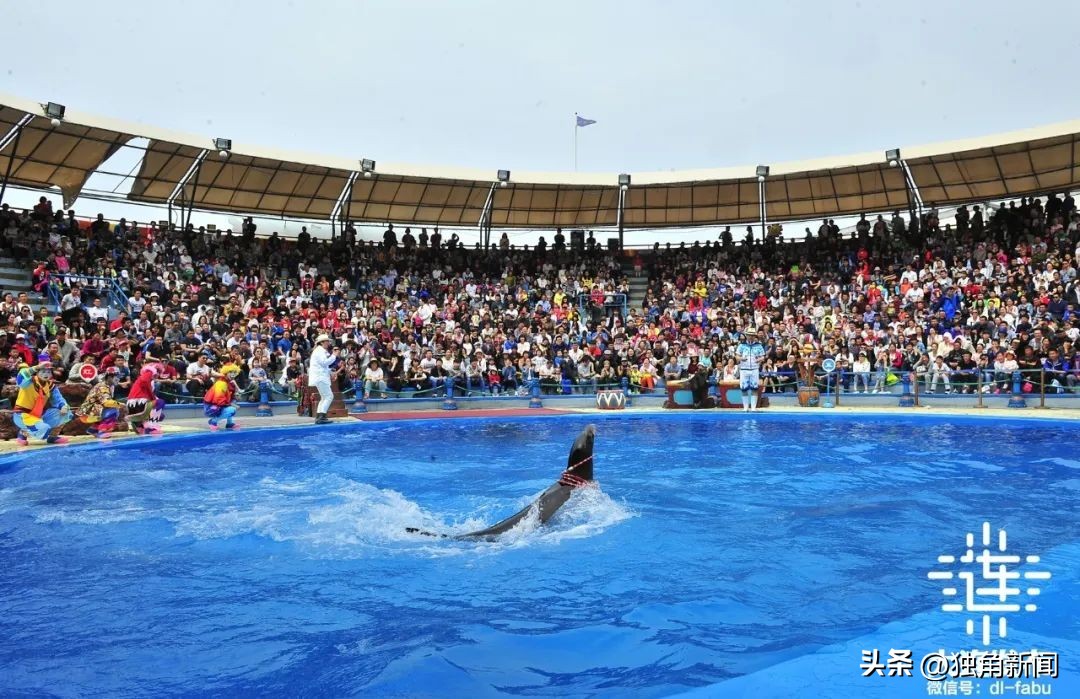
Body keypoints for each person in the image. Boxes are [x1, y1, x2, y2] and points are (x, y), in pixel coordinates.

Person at [13, 354, 72, 446]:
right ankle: (23, 432)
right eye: (43, 371)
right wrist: (37, 367)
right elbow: (21, 376)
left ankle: (52, 437)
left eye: (48, 372)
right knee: (42, 430)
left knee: (67, 413)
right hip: (22, 415)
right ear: (37, 372)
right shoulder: (28, 382)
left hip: (39, 415)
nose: (46, 374)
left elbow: (58, 399)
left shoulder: (50, 385)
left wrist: (63, 406)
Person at [77, 366, 123, 439]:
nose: (118, 379)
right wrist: (121, 404)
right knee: (113, 411)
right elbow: (106, 402)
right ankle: (103, 431)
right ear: (109, 377)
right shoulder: (102, 387)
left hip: (94, 410)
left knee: (112, 408)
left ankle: (93, 429)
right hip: (87, 413)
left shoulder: (111, 386)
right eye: (116, 377)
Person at [127, 362, 167, 435]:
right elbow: (144, 381)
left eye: (159, 372)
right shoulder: (149, 373)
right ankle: (151, 426)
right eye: (157, 371)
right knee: (161, 402)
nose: (157, 374)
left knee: (160, 415)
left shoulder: (147, 381)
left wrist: (152, 396)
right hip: (138, 404)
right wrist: (152, 396)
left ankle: (139, 426)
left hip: (133, 407)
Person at [308, 333, 339, 425]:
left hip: (320, 376)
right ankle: (321, 416)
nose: (328, 343)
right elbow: (324, 363)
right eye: (326, 341)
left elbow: (323, 365)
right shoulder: (319, 351)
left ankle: (320, 416)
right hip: (320, 377)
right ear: (321, 342)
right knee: (329, 396)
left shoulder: (319, 350)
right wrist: (334, 355)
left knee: (324, 397)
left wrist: (331, 372)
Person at [203, 362, 241, 431]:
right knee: (232, 410)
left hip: (217, 405)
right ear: (226, 372)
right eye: (231, 372)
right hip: (211, 407)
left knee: (232, 404)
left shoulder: (228, 383)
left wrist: (235, 397)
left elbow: (229, 398)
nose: (233, 374)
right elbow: (219, 400)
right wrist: (231, 405)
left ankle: (229, 423)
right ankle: (213, 421)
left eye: (234, 372)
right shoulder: (222, 383)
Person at [736, 327, 766, 412]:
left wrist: (759, 359)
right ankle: (745, 407)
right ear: (746, 335)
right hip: (744, 369)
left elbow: (763, 357)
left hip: (754, 369)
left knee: (754, 388)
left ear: (754, 336)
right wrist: (741, 358)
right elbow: (737, 356)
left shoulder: (758, 345)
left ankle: (753, 407)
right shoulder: (741, 345)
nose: (750, 337)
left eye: (752, 335)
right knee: (744, 388)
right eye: (749, 335)